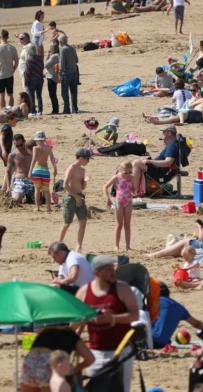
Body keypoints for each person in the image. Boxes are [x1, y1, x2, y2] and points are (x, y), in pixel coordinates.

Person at [81, 256, 140, 391]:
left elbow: (134, 315)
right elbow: (77, 322)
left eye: (113, 269)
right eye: (108, 270)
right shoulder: (84, 292)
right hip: (95, 353)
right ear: (97, 273)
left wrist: (113, 319)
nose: (113, 273)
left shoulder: (123, 288)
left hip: (121, 352)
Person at [131, 127, 183, 196]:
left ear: (169, 133)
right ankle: (134, 189)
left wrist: (149, 161)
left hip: (160, 172)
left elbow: (168, 162)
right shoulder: (173, 145)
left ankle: (135, 192)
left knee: (136, 163)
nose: (163, 136)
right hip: (160, 170)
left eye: (164, 133)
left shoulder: (172, 146)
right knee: (135, 163)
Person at [59, 149, 91, 251]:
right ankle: (59, 243)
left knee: (83, 222)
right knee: (67, 223)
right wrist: (75, 197)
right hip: (70, 197)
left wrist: (86, 181)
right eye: (87, 159)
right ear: (81, 158)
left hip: (80, 196)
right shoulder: (71, 168)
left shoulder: (82, 170)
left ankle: (79, 245)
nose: (88, 161)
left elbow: (82, 187)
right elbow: (65, 185)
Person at [104, 161, 135, 252]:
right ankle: (116, 246)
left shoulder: (132, 177)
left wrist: (135, 190)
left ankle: (128, 246)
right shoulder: (117, 177)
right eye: (126, 172)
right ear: (120, 170)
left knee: (127, 224)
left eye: (130, 172)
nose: (128, 174)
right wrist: (108, 199)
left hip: (128, 201)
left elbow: (133, 188)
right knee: (119, 224)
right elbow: (105, 187)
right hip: (119, 201)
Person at [31, 131, 59, 212]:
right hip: (45, 171)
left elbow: (33, 160)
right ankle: (48, 208)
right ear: (44, 139)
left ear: (36, 140)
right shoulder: (49, 148)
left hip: (36, 170)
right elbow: (52, 159)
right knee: (46, 190)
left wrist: (30, 171)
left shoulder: (35, 148)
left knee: (37, 190)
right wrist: (55, 169)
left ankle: (37, 207)